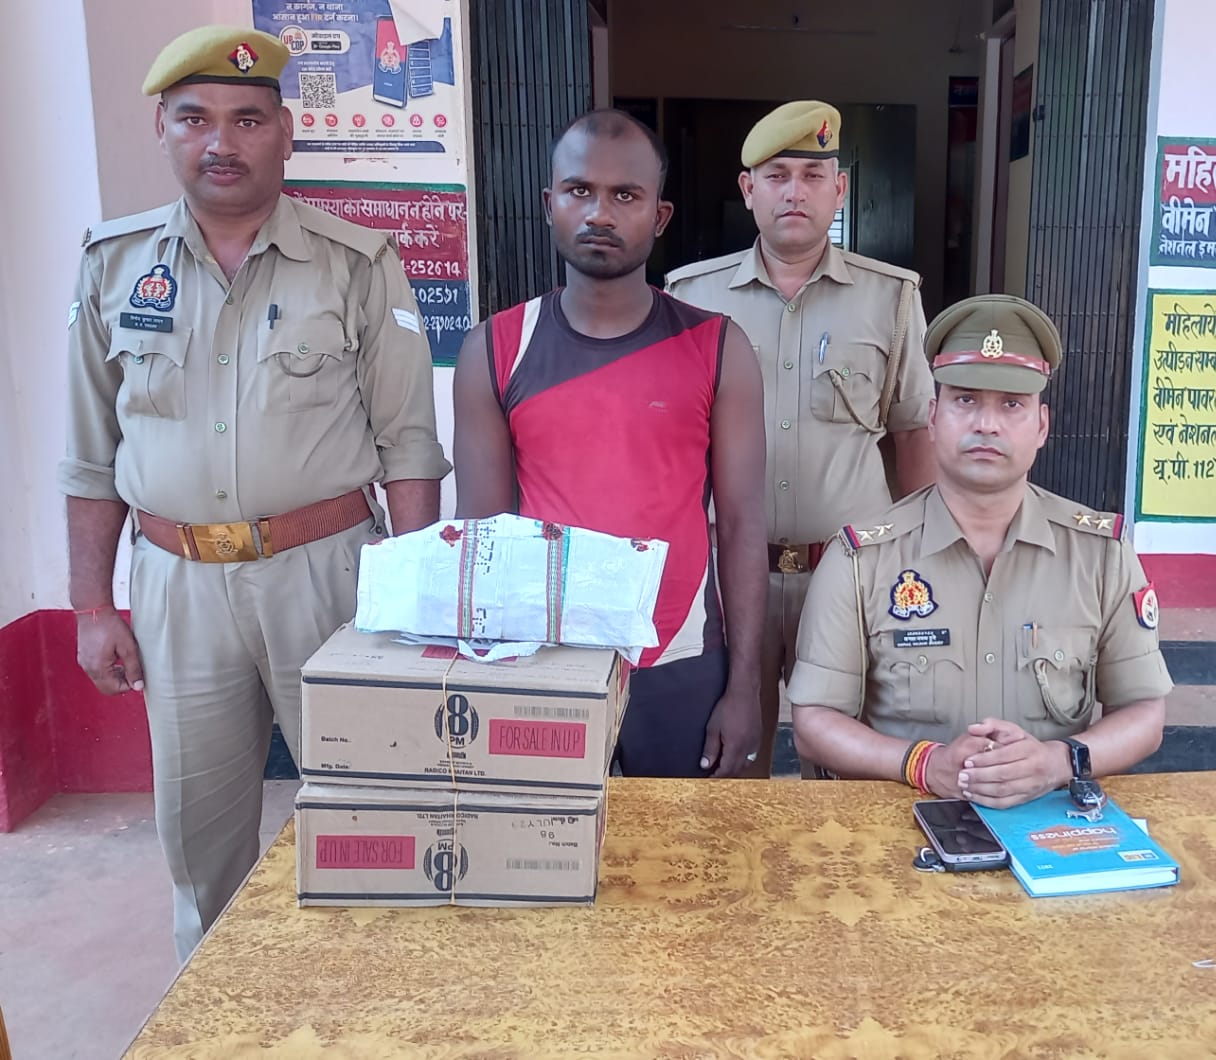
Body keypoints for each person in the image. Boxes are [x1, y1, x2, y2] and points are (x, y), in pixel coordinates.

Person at [59, 26, 450, 959]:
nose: (220, 142)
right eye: (195, 119)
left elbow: (409, 448)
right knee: (199, 833)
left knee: (370, 807)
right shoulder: (114, 265)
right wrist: (90, 607)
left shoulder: (357, 262)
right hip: (177, 586)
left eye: (246, 119)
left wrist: (409, 608)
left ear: (285, 132)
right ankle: (216, 998)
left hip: (329, 576)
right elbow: (89, 454)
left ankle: (374, 991)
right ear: (162, 128)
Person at [452, 109, 766, 778]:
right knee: (546, 843)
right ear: (549, 204)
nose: (600, 213)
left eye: (625, 195)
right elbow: (484, 537)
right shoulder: (496, 349)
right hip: (541, 660)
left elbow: (742, 526)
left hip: (680, 656)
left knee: (681, 844)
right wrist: (483, 678)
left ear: (660, 215)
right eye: (579, 191)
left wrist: (745, 685)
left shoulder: (716, 347)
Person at [788, 295, 1171, 807]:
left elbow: (1144, 712)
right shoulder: (861, 559)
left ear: (1042, 426)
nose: (986, 424)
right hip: (905, 820)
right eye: (965, 400)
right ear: (932, 417)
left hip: (1050, 822)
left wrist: (1058, 761)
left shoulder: (1101, 555)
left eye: (1011, 404)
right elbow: (814, 723)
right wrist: (925, 765)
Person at [667, 101, 937, 777]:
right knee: (730, 768)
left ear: (839, 189)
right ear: (747, 189)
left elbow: (913, 434)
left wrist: (926, 560)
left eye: (813, 175)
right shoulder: (690, 300)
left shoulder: (890, 298)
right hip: (730, 581)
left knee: (850, 773)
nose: (795, 191)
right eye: (777, 175)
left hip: (851, 577)